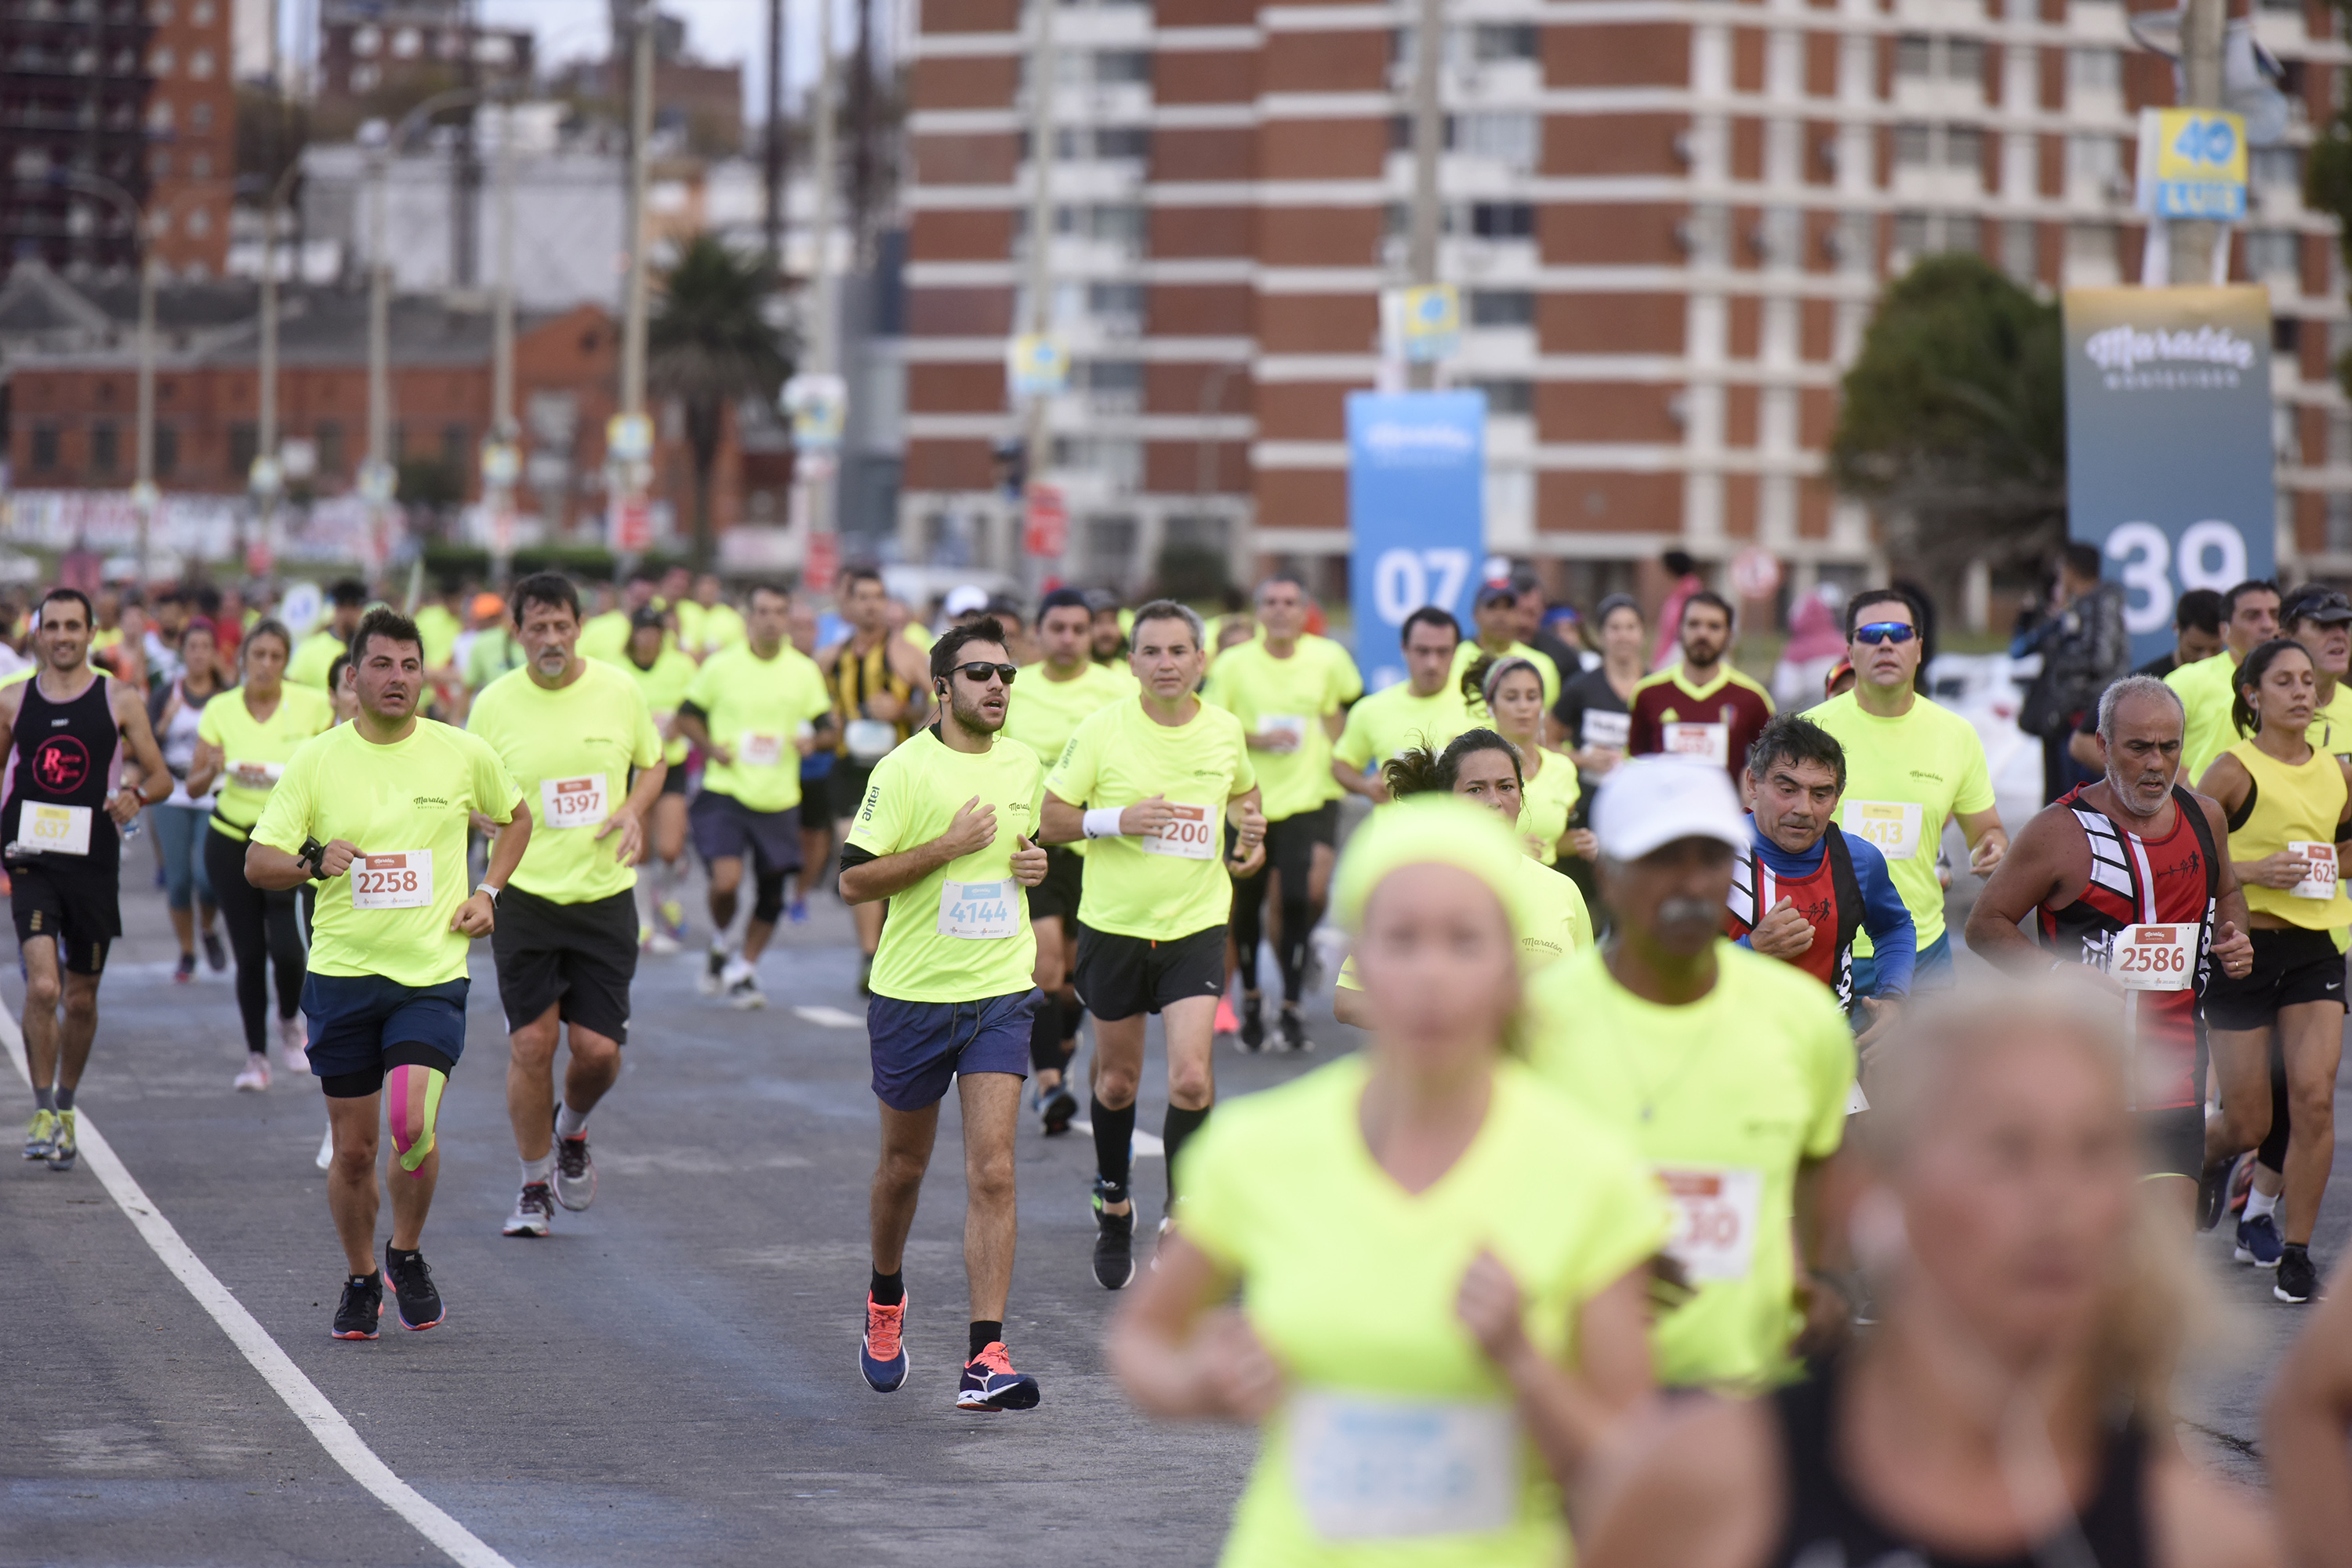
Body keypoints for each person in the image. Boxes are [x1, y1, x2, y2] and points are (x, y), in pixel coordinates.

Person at [1107, 794, 1668, 1567]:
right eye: (1401, 938)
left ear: (1511, 968)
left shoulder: (1588, 1170)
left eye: (1464, 940)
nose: (1432, 972)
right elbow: (1142, 1343)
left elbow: (1634, 1463)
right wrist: (1200, 1380)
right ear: (1359, 960)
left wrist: (1524, 1360)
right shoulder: (1262, 1147)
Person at [1577, 977, 2278, 1568]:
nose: (2057, 1199)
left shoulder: (2206, 1540)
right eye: (2007, 1147)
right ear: (1875, 1187)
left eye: (2096, 1152)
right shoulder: (1705, 1488)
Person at [1528, 755, 1857, 1389]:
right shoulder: (1533, 1024)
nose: (1690, 883)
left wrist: (1824, 1279)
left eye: (1711, 859)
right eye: (1661, 859)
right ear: (1608, 877)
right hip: (1580, 1401)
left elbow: (1824, 1165)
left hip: (1751, 1396)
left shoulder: (1803, 1020)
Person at [246, 608, 529, 1338]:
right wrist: (312, 862)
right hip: (342, 977)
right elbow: (259, 861)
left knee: (412, 1123)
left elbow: (517, 817)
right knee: (355, 1150)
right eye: (382, 665)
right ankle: (362, 1275)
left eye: (410, 666)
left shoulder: (461, 753)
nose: (398, 678)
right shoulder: (318, 759)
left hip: (430, 973)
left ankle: (406, 1252)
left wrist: (488, 892)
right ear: (353, 676)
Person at [840, 618, 1050, 1410]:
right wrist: (946, 845)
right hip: (913, 995)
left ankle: (984, 1353)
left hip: (999, 989)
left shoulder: (1026, 762)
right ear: (942, 686)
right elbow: (855, 882)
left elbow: (1026, 851)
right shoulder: (901, 771)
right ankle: (886, 1292)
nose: (997, 685)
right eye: (980, 673)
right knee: (903, 1169)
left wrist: (1036, 862)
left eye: (1005, 673)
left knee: (993, 1167)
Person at [1967, 675, 2254, 1222]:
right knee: (2091, 1250)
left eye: (2169, 747)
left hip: (2174, 1067)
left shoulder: (2205, 816)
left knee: (2164, 1247)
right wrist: (2056, 975)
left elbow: (2230, 891)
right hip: (2081, 1073)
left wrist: (2232, 935)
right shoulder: (2059, 831)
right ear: (2103, 746)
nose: (2155, 764)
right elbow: (1987, 925)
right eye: (2138, 747)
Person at [1040, 600, 1266, 1288]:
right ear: (1131, 662)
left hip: (1195, 926)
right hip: (1112, 927)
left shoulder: (1225, 731)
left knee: (1193, 1077)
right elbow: (1050, 820)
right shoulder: (1103, 729)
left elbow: (1246, 802)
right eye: (1152, 652)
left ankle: (1182, 1216)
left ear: (1201, 660)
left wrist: (1251, 843)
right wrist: (1117, 819)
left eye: (1179, 651)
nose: (1166, 663)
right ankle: (1114, 1200)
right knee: (1117, 1082)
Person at [466, 575, 665, 1240]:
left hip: (604, 895)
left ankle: (570, 1131)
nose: (550, 640)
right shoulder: (493, 705)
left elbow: (655, 762)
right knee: (531, 1043)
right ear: (517, 633)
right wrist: (480, 818)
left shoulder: (618, 690)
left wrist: (635, 811)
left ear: (580, 626)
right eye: (537, 629)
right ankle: (530, 1186)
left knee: (598, 1051)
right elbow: (465, 785)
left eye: (561, 627)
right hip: (524, 895)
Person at [2190, 637, 2352, 1305]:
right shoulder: (2234, 771)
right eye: (2283, 681)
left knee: (2314, 1101)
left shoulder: (2340, 772)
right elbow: (2184, 849)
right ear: (2253, 695)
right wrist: (2254, 872)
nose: (2301, 691)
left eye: (2308, 681)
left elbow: (2347, 850)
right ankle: (2199, 1161)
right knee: (2249, 1123)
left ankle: (2296, 1252)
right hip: (2243, 948)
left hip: (2315, 948)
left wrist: (2327, 864)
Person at [9, 586, 172, 1174]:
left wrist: (134, 795)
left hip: (94, 864)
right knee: (44, 988)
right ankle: (41, 1111)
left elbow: (161, 778)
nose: (61, 637)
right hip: (30, 856)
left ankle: (68, 1105)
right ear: (38, 635)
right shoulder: (12, 702)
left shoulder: (119, 699)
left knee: (80, 999)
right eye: (51, 627)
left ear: (90, 633)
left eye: (72, 627)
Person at [1807, 587, 2005, 991]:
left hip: (1923, 951)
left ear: (1918, 646)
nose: (1884, 643)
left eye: (1898, 633)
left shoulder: (1956, 735)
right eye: (1870, 634)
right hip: (1826, 946)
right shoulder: (1808, 732)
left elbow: (1985, 829)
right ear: (1850, 649)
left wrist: (1993, 846)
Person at [1330, 727, 1595, 1028]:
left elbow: (1587, 1000)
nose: (1493, 801)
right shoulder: (1412, 889)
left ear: (1521, 795)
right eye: (1475, 789)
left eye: (1506, 786)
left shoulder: (1562, 889)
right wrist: (1453, 1022)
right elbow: (1348, 1000)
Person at [1201, 575, 1363, 1051]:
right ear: (1257, 612)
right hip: (1247, 803)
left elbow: (1346, 710)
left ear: (1305, 611)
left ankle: (1291, 1004)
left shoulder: (1328, 659)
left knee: (1298, 899)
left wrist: (1339, 753)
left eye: (1289, 602)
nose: (1279, 610)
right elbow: (1212, 724)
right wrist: (1257, 739)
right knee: (1246, 907)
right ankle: (1252, 996)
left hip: (1309, 797)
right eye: (1269, 602)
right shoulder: (1233, 664)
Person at [1000, 586, 1133, 1133]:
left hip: (1100, 848)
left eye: (1079, 629)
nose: (1069, 639)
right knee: (1045, 962)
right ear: (1037, 634)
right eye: (1057, 628)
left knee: (1080, 977)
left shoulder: (1118, 690)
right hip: (1032, 846)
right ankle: (1051, 1083)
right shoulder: (1010, 688)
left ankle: (1061, 1039)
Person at [185, 619, 334, 1096]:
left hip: (288, 843)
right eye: (258, 656)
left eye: (276, 656)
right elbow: (193, 786)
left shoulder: (312, 706)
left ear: (287, 662)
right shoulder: (221, 709)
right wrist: (210, 769)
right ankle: (255, 1057)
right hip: (231, 837)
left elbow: (334, 766)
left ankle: (290, 1019)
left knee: (290, 952)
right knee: (249, 953)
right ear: (242, 660)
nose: (267, 665)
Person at [675, 583, 836, 1010]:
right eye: (762, 611)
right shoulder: (721, 666)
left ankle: (743, 969)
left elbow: (828, 727)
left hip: (779, 797)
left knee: (771, 893)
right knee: (726, 882)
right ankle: (721, 938)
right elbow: (687, 717)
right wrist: (711, 749)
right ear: (750, 618)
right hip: (725, 790)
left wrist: (814, 743)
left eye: (779, 612)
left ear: (787, 619)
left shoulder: (803, 671)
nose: (770, 619)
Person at [1725, 713, 1914, 1053]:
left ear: (1838, 797)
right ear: (1753, 784)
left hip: (1826, 1057)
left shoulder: (1860, 860)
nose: (1804, 809)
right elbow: (1660, 968)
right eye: (1787, 789)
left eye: (1821, 794)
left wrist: (1894, 997)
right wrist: (1750, 951)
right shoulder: (1707, 858)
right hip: (1727, 1057)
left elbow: (1895, 926)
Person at [824, 567, 935, 992]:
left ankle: (893, 942)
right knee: (858, 855)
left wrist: (906, 714)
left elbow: (944, 700)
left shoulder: (907, 653)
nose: (871, 605)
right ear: (847, 605)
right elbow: (816, 709)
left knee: (896, 860)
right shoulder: (831, 658)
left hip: (898, 768)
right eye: (862, 597)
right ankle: (870, 957)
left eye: (878, 596)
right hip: (849, 768)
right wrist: (825, 724)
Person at [2065, 587, 2225, 775]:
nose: (2205, 659)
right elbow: (2081, 743)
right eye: (2196, 648)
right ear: (2177, 630)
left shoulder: (2237, 680)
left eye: (2215, 649)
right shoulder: (2146, 682)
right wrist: (2140, 777)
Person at [2017, 543, 2132, 803]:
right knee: (2062, 800)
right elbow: (2021, 648)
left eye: (2061, 568)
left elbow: (2101, 658)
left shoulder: (2100, 604)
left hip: (2086, 715)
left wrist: (2061, 664)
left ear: (2070, 569)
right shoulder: (2074, 607)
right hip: (2066, 717)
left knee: (2084, 800)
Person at [147, 615, 227, 989]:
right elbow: (145, 745)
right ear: (184, 652)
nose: (198, 655)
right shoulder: (167, 693)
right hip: (174, 793)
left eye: (205, 648)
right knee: (178, 881)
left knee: (207, 879)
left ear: (214, 654)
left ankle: (208, 928)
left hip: (212, 794)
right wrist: (164, 725)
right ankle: (187, 951)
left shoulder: (228, 698)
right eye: (192, 647)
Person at [1330, 607, 1477, 804]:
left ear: (1456, 652)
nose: (1432, 663)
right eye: (1422, 651)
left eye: (1442, 651)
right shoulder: (1372, 710)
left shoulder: (1479, 709)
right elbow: (1341, 764)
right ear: (1404, 649)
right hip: (1395, 833)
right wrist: (1365, 785)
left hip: (1460, 833)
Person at [1626, 591, 1776, 782]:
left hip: (1724, 811)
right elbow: (1633, 762)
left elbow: (1771, 767)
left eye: (1714, 626)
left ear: (1729, 635)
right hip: (1664, 810)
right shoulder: (1647, 692)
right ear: (1679, 630)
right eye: (1694, 624)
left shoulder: (1753, 697)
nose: (1702, 633)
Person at [619, 604, 697, 952]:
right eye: (643, 630)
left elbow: (694, 707)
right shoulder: (617, 670)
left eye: (655, 631)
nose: (649, 638)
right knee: (640, 849)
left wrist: (679, 725)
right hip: (631, 765)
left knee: (670, 848)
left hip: (671, 762)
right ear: (633, 634)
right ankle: (645, 923)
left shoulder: (680, 666)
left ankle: (664, 893)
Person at [2169, 579, 2282, 786]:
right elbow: (2145, 751)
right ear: (2224, 631)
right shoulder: (2188, 680)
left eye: (2275, 615)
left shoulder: (2302, 686)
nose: (2268, 625)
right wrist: (2201, 789)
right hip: (2198, 810)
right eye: (2253, 616)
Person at [1471, 654, 1581, 866]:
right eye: (1512, 697)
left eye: (1532, 697)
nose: (1523, 707)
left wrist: (1580, 843)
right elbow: (1453, 832)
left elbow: (1551, 842)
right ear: (1491, 705)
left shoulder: (1563, 769)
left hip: (1545, 888)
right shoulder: (1471, 766)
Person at [1555, 593, 1644, 784]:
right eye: (1615, 628)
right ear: (1601, 634)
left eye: (1631, 627)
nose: (1624, 636)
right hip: (1589, 800)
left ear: (1641, 633)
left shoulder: (1655, 689)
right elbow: (1545, 742)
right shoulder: (1580, 686)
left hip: (1640, 800)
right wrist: (1582, 759)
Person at [1453, 581, 1562, 709]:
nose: (1501, 615)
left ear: (1518, 614)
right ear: (1475, 614)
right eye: (1492, 606)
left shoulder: (1543, 665)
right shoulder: (1452, 658)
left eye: (1508, 607)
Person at [287, 579, 370, 693]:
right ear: (335, 609)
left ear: (361, 611)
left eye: (353, 606)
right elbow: (292, 687)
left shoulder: (369, 648)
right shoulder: (310, 648)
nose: (348, 614)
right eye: (343, 606)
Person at [1650, 547, 1705, 670]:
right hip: (1668, 653)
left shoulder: (1690, 596)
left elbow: (1678, 629)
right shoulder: (1677, 593)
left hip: (1678, 655)